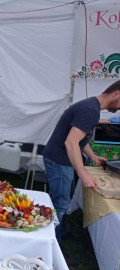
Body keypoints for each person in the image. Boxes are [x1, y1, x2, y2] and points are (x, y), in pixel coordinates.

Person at [43, 80, 120, 241]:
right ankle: (52, 241)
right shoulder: (90, 110)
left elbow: (78, 140)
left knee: (60, 200)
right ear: (117, 94)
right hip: (59, 161)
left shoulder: (92, 107)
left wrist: (92, 156)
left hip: (60, 159)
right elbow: (70, 142)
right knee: (61, 204)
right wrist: (83, 174)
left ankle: (57, 231)